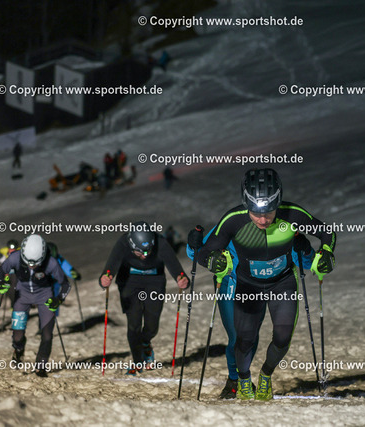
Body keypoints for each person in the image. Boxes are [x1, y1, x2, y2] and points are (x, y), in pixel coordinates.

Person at [197, 168, 336, 401]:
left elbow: (326, 233)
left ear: (278, 203)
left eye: (269, 212)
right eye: (256, 213)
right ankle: (243, 379)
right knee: (244, 340)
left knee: (282, 337)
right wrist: (212, 260)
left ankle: (265, 375)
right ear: (246, 204)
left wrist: (327, 253)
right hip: (247, 286)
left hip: (282, 283)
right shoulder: (233, 220)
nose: (263, 220)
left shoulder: (293, 214)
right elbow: (203, 252)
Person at [187, 229, 314, 399]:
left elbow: (306, 262)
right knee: (236, 336)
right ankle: (235, 380)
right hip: (230, 283)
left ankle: (256, 376)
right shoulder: (231, 223)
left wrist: (305, 248)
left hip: (260, 287)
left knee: (252, 335)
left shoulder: (280, 228)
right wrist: (193, 243)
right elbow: (197, 253)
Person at [99, 221, 189, 375]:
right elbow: (111, 265)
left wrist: (182, 279)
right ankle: (138, 362)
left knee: (152, 325)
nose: (144, 256)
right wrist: (105, 278)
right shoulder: (123, 242)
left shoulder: (160, 242)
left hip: (154, 281)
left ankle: (146, 342)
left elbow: (175, 266)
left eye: (148, 251)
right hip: (129, 281)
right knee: (134, 324)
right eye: (139, 253)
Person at [0, 234, 71, 377]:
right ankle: (18, 349)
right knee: (17, 336)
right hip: (22, 296)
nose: (31, 266)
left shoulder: (51, 262)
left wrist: (58, 299)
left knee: (47, 335)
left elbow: (66, 284)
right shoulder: (15, 257)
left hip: (44, 295)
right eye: (28, 262)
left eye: (35, 263)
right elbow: (0, 271)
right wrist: (0, 283)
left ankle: (41, 366)